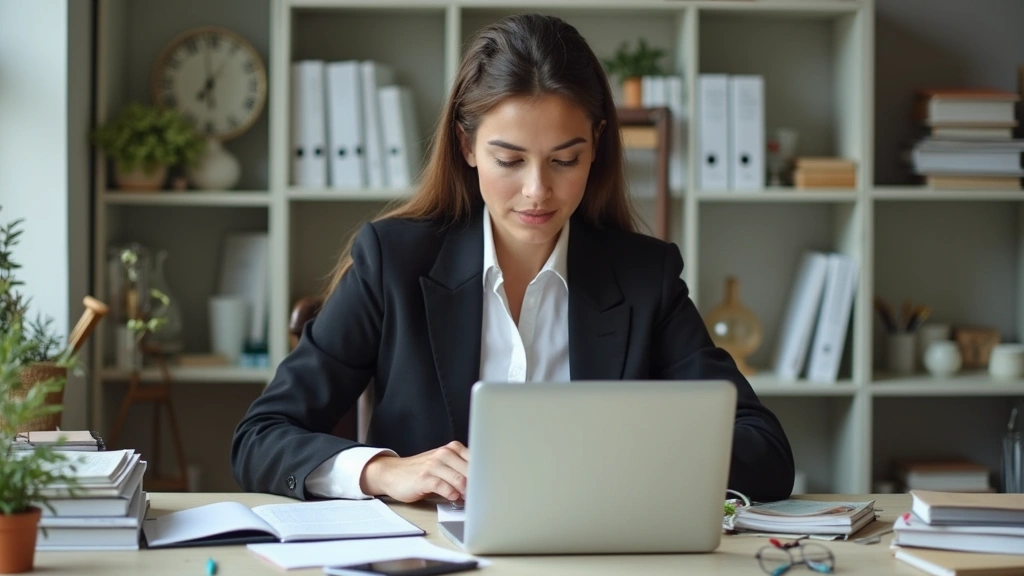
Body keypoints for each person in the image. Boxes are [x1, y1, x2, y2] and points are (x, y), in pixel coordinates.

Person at [231, 13, 794, 504]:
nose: (536, 191)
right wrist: (384, 471)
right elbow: (261, 435)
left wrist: (625, 457)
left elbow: (764, 452)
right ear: (467, 146)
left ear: (595, 148)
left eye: (564, 160)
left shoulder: (645, 278)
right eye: (510, 159)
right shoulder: (393, 261)